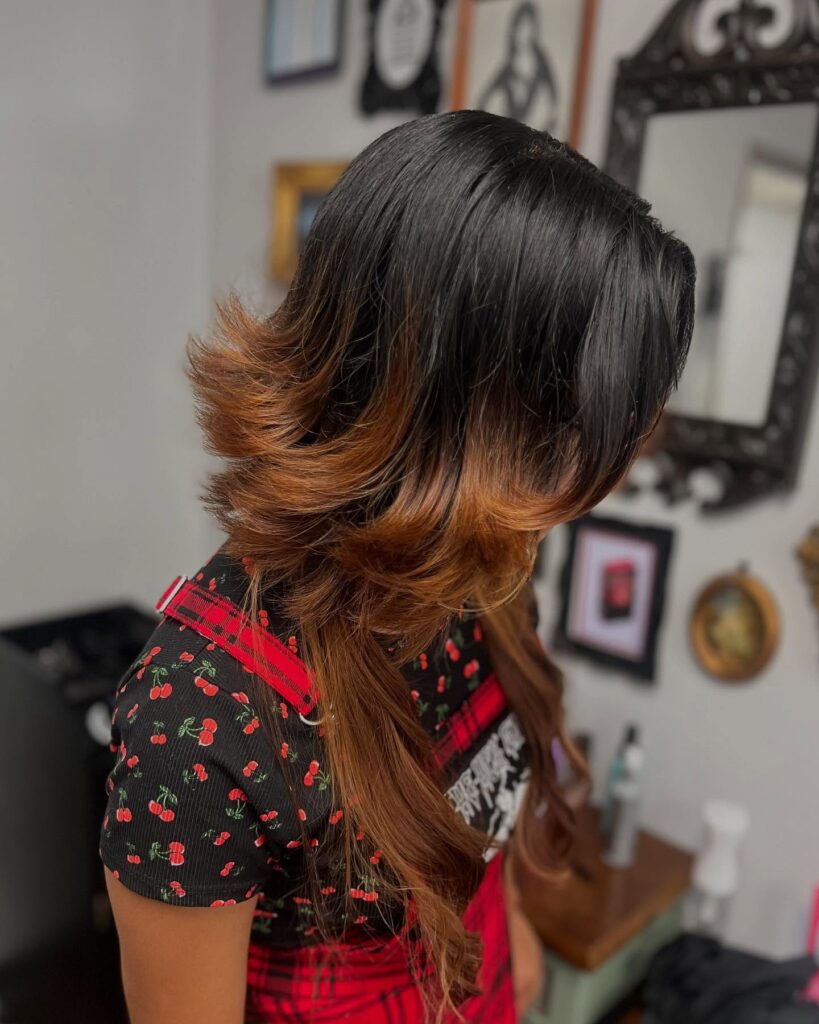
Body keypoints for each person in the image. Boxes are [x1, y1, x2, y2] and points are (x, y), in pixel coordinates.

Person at [100, 111, 695, 1024]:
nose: (592, 481)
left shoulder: (485, 571)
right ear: (472, 421)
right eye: (568, 433)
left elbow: (480, 815)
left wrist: (518, 931)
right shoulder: (200, 725)